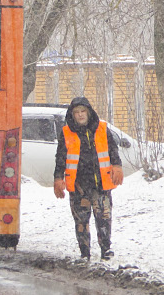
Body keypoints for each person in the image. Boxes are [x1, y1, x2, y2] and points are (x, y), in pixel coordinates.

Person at [53, 96, 124, 260]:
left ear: (89, 112)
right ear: (72, 115)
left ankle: (106, 250)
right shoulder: (66, 133)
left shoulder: (102, 128)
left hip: (101, 184)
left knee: (104, 219)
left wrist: (117, 166)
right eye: (76, 112)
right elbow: (60, 158)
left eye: (83, 111)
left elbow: (113, 150)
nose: (80, 115)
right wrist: (58, 178)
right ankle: (84, 253)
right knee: (81, 221)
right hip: (78, 186)